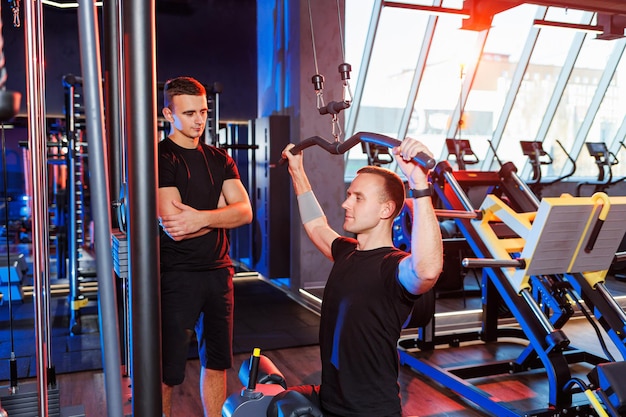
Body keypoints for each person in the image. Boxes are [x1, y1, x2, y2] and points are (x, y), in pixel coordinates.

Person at [280, 137, 443, 417]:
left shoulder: (393, 267)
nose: (345, 204)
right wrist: (297, 171)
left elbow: (426, 270)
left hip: (370, 411)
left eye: (358, 198)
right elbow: (316, 225)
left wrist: (419, 185)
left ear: (386, 210)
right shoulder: (347, 252)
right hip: (331, 401)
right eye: (348, 195)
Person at [157, 76, 253, 417]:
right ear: (169, 114)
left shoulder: (220, 158)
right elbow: (174, 226)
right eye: (190, 113)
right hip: (176, 275)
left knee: (217, 363)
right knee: (167, 371)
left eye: (204, 112)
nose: (200, 120)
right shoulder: (159, 158)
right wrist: (216, 215)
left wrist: (199, 218)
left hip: (218, 272)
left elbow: (244, 211)